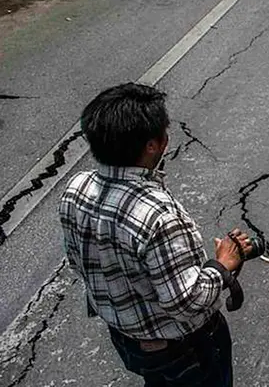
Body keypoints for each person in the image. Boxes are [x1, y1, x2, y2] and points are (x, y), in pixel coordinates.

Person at [60, 83, 254, 387]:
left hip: (127, 338)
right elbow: (186, 302)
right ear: (152, 145)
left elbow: (79, 261)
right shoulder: (158, 216)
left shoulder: (76, 188)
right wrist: (222, 264)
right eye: (164, 130)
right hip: (183, 346)